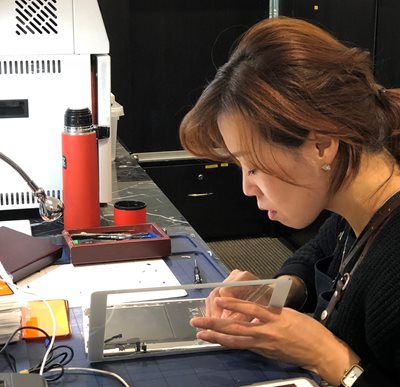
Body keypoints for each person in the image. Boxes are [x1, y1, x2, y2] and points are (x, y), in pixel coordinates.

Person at [179, 17, 400, 387]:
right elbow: (318, 253)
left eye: (254, 166)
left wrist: (329, 357)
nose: (248, 188)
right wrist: (277, 290)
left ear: (320, 145)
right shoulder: (361, 203)